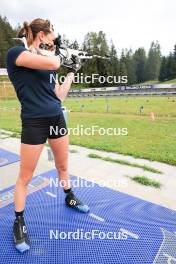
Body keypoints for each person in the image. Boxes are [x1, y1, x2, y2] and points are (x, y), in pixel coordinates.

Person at [6, 18, 89, 253]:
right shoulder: (16, 54)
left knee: (63, 165)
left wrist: (72, 71)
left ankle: (69, 196)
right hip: (34, 122)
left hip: (56, 118)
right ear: (41, 35)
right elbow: (53, 63)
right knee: (25, 176)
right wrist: (61, 56)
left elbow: (58, 96)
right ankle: (19, 221)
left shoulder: (46, 63)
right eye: (53, 36)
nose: (54, 40)